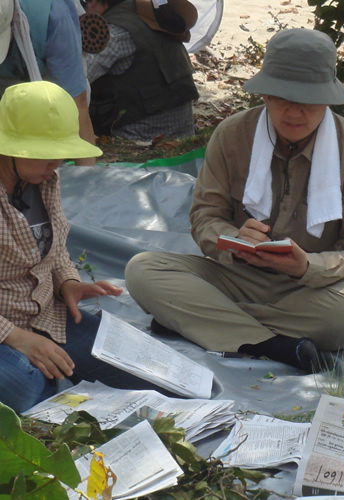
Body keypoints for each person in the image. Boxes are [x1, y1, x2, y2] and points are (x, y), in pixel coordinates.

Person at [125, 28, 344, 372]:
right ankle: (272, 345)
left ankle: (204, 323)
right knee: (143, 269)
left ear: (327, 100)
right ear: (264, 94)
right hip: (236, 275)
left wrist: (307, 266)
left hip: (312, 290)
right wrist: (233, 239)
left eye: (308, 101)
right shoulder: (234, 134)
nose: (295, 113)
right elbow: (205, 217)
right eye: (283, 98)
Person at [0, 81, 175, 414]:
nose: (57, 164)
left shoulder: (44, 180)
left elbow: (55, 245)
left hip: (46, 315)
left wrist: (68, 282)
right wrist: (16, 337)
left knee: (144, 367)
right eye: (46, 155)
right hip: (5, 327)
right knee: (22, 387)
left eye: (59, 154)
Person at [82, 0, 199, 141]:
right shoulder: (151, 13)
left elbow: (76, 81)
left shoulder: (113, 32)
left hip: (140, 138)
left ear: (93, 2)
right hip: (184, 132)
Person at [0, 0, 97, 166]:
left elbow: (77, 103)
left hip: (41, 61)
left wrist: (86, 179)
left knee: (59, 115)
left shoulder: (54, 15)